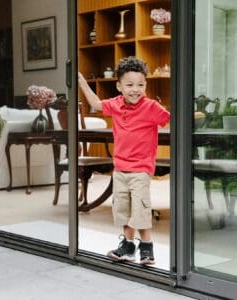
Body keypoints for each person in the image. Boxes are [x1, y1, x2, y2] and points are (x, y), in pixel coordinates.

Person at [78, 56, 170, 265]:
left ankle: (147, 248)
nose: (135, 89)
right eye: (129, 85)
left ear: (146, 84)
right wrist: (81, 81)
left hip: (141, 170)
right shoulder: (115, 105)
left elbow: (171, 119)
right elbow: (94, 103)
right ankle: (128, 247)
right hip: (120, 169)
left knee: (141, 210)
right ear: (119, 86)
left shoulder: (151, 107)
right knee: (123, 210)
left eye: (140, 84)